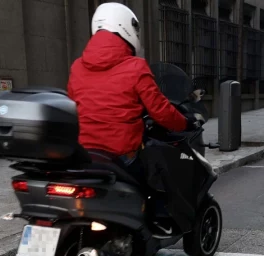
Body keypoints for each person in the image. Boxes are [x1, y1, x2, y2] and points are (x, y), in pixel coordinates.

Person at [66, 2, 195, 193]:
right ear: (126, 28)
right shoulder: (136, 67)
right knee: (157, 184)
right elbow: (160, 111)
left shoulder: (77, 66)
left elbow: (72, 106)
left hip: (85, 154)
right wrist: (185, 124)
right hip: (121, 155)